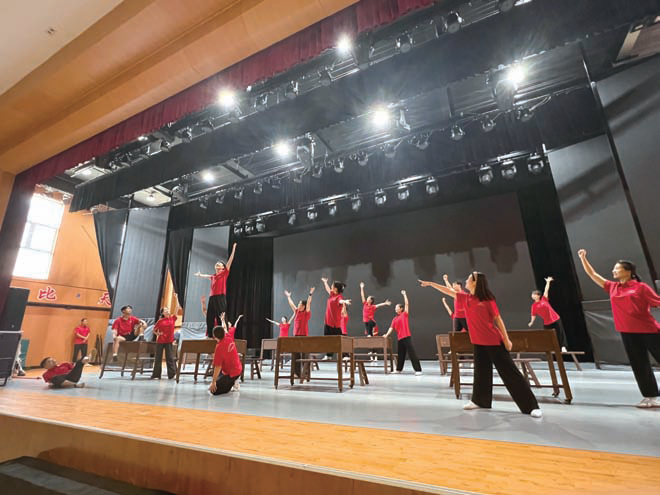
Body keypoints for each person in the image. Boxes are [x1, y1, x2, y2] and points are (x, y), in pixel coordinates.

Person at [420, 273, 542, 417]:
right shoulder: (465, 298)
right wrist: (431, 284)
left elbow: (498, 319)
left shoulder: (487, 300)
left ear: (475, 283)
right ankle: (480, 401)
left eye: (468, 279)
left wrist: (506, 339)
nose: (466, 280)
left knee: (510, 373)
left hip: (493, 341)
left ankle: (531, 406)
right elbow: (448, 291)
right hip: (478, 342)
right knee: (481, 373)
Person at [578, 249, 660, 408]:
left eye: (617, 268)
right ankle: (650, 397)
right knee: (640, 365)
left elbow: (657, 302)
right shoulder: (613, 287)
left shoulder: (641, 288)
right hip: (627, 332)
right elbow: (592, 274)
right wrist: (583, 258)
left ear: (628, 272)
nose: (613, 271)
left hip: (649, 331)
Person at [195, 242, 238, 338]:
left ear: (222, 267)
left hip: (220, 297)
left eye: (219, 264)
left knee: (221, 316)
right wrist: (200, 275)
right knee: (210, 316)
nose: (217, 264)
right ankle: (210, 335)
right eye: (217, 263)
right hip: (212, 298)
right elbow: (207, 276)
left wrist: (233, 249)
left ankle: (224, 334)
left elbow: (230, 261)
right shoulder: (213, 276)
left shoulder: (224, 273)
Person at [383, 290, 422, 375]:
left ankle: (418, 370)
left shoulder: (404, 314)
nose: (395, 309)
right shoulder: (394, 319)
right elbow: (391, 328)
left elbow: (407, 304)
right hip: (400, 338)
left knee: (412, 353)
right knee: (401, 355)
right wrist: (386, 335)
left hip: (406, 337)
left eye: (397, 307)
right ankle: (398, 369)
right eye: (395, 308)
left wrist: (404, 295)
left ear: (401, 309)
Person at [528, 276, 568, 352]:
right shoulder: (534, 306)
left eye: (534, 294)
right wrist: (531, 322)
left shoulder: (544, 299)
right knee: (549, 336)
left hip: (555, 319)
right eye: (532, 294)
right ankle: (552, 348)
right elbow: (533, 315)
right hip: (547, 323)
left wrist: (548, 282)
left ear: (538, 295)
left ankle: (563, 347)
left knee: (560, 333)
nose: (532, 295)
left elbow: (546, 290)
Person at [209, 313, 243, 396]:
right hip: (237, 369)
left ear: (214, 336)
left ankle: (231, 383)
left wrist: (213, 382)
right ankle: (229, 382)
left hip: (232, 373)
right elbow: (224, 328)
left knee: (214, 391)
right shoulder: (228, 336)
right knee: (216, 383)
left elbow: (217, 366)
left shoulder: (219, 347)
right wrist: (222, 320)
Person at [285, 288, 315, 377]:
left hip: (304, 336)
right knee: (295, 355)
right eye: (298, 304)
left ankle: (306, 373)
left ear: (303, 306)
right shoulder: (297, 311)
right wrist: (288, 297)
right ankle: (296, 373)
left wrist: (310, 294)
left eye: (300, 304)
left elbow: (308, 303)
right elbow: (291, 304)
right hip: (296, 336)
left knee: (305, 355)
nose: (298, 305)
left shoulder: (306, 313)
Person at [321, 277, 351, 358]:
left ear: (336, 288)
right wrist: (325, 282)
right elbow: (328, 289)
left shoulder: (339, 297)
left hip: (335, 324)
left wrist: (345, 301)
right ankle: (329, 355)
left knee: (339, 341)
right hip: (328, 322)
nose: (331, 286)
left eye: (332, 285)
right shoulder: (332, 295)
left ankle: (345, 355)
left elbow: (340, 301)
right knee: (328, 339)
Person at [151, 304, 178, 380]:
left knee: (169, 357)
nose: (167, 311)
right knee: (158, 358)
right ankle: (156, 374)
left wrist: (177, 304)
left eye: (167, 310)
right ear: (162, 313)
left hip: (169, 341)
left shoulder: (172, 319)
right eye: (165, 310)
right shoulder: (160, 321)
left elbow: (176, 311)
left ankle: (171, 374)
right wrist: (158, 334)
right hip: (160, 341)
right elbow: (154, 330)